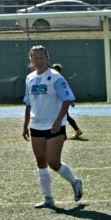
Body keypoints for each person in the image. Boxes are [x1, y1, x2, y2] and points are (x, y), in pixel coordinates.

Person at [22, 45, 83, 209]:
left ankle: (75, 182)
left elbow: (67, 99)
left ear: (47, 59)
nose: (38, 60)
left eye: (41, 57)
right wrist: (25, 125)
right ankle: (48, 198)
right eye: (35, 58)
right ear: (31, 60)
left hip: (54, 126)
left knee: (53, 162)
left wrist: (58, 121)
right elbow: (28, 103)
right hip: (36, 126)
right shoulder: (29, 78)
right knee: (41, 161)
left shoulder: (56, 78)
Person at [51, 63, 84, 138]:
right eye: (53, 69)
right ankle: (77, 130)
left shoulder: (60, 79)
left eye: (55, 70)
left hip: (62, 103)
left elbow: (66, 91)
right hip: (56, 103)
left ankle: (67, 133)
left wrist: (71, 101)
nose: (53, 71)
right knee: (66, 117)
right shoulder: (52, 78)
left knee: (65, 117)